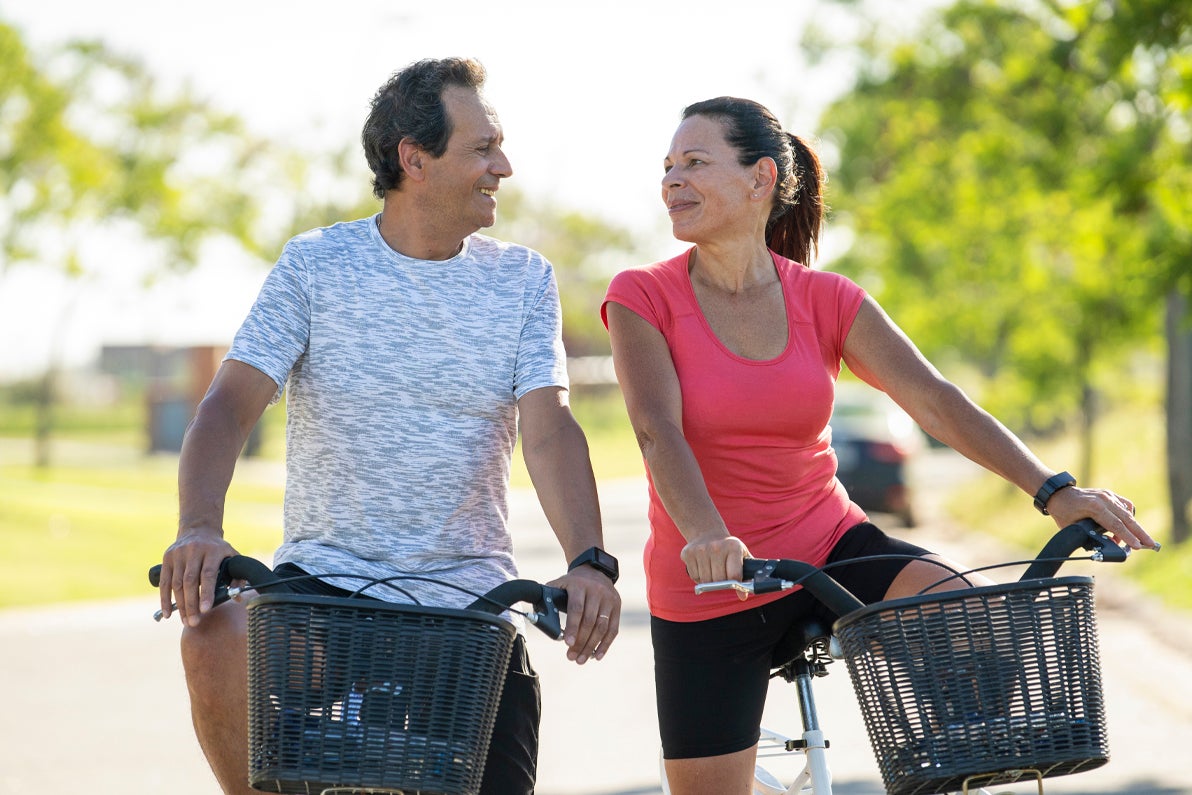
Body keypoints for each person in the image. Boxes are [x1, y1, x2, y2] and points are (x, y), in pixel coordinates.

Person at [601, 96, 1158, 795]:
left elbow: (934, 399)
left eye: (695, 162)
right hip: (712, 577)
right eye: (668, 166)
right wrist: (708, 534)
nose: (673, 180)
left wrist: (1052, 490)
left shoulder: (826, 298)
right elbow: (658, 429)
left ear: (760, 178)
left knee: (974, 616)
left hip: (829, 544)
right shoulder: (641, 295)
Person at [156, 57, 621, 795]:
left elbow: (548, 427)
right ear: (414, 158)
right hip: (323, 595)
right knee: (213, 630)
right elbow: (228, 405)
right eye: (482, 148)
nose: (503, 165)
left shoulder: (521, 278)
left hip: (467, 606)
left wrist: (589, 559)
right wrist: (198, 526)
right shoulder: (316, 265)